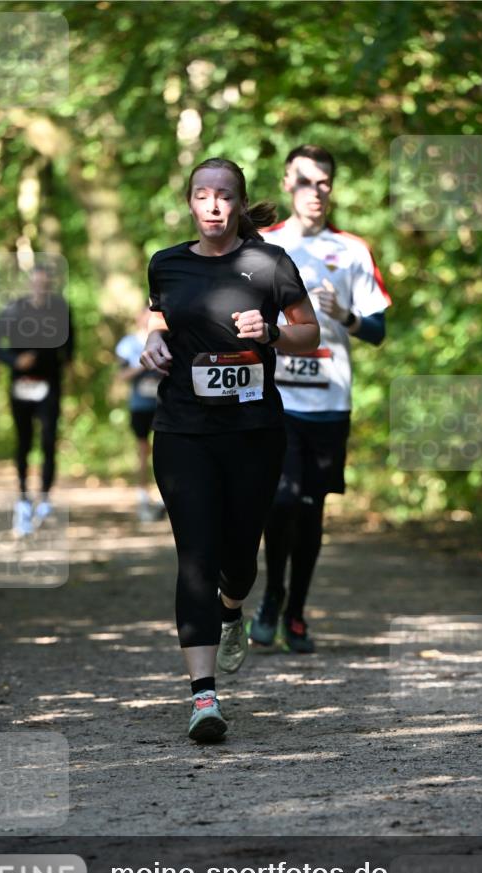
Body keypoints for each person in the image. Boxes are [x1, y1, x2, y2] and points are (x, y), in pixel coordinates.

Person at [141, 156, 319, 742]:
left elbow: (308, 331)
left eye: (224, 196)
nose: (213, 205)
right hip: (183, 430)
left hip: (253, 432)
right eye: (202, 195)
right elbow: (161, 322)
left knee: (239, 556)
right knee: (194, 552)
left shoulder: (267, 263)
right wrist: (153, 343)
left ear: (239, 205)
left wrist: (269, 333)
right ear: (189, 203)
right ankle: (203, 697)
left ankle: (233, 605)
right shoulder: (166, 263)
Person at [250, 144, 391, 653]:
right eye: (307, 181)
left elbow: (377, 331)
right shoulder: (262, 245)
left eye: (325, 183)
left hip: (330, 401)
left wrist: (345, 316)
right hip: (275, 398)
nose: (317, 192)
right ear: (288, 182)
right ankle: (271, 594)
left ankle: (296, 613)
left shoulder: (352, 249)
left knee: (311, 510)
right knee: (281, 498)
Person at [0, 264, 74, 537]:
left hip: (49, 385)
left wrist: (68, 367)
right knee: (24, 441)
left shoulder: (60, 309)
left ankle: (45, 498)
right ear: (29, 284)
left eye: (45, 284)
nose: (40, 288)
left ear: (49, 285)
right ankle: (23, 497)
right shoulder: (13, 310)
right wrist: (14, 361)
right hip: (21, 386)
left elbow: (71, 344)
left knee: (49, 440)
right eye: (36, 283)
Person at [115, 307, 165, 522]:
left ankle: (166, 497)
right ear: (138, 318)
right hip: (140, 406)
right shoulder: (128, 344)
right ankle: (143, 496)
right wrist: (144, 365)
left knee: (165, 451)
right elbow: (121, 375)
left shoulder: (168, 339)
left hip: (165, 405)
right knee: (143, 450)